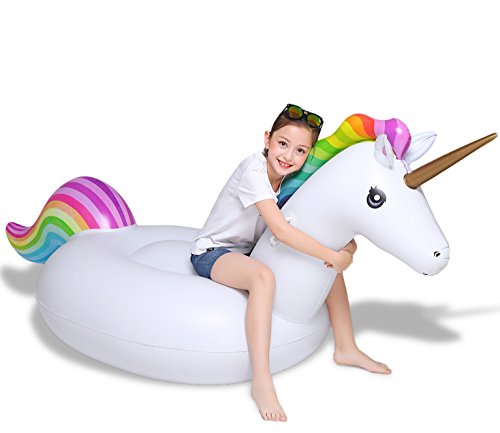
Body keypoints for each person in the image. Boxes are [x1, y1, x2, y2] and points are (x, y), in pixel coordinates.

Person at [190, 104, 391, 422]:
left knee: (325, 266)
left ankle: (346, 347)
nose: (288, 156)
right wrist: (332, 254)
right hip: (213, 253)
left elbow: (314, 219)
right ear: (267, 139)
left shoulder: (291, 179)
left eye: (300, 150)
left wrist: (341, 247)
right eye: (282, 144)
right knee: (264, 277)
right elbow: (282, 230)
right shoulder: (254, 171)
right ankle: (261, 381)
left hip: (250, 250)